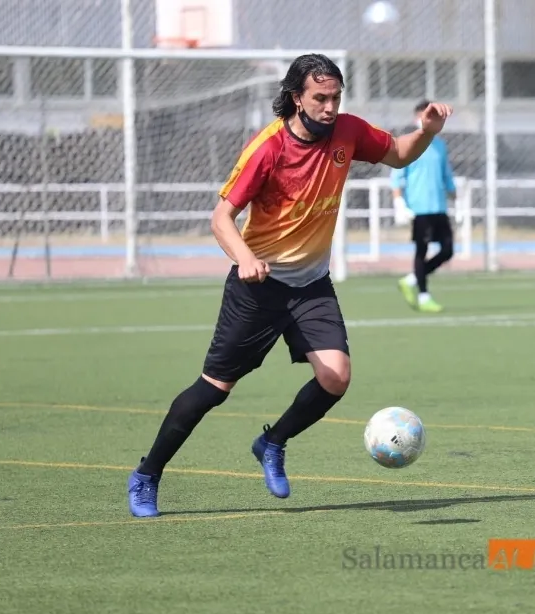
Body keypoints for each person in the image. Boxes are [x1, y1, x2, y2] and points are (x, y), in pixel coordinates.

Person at [126, 54, 453, 518]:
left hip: (311, 285)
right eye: (320, 98)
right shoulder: (268, 148)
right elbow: (221, 218)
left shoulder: (348, 131)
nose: (330, 107)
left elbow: (399, 154)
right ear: (296, 97)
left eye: (336, 97)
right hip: (258, 288)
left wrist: (427, 132)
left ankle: (273, 442)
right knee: (214, 388)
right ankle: (147, 474)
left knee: (336, 376)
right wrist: (245, 259)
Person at [391, 100, 457, 313]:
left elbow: (446, 176)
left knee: (447, 250)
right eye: (424, 115)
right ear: (417, 118)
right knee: (422, 250)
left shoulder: (440, 146)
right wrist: (399, 203)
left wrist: (457, 201)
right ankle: (423, 295)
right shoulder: (410, 143)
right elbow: (397, 175)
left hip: (439, 207)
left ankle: (411, 280)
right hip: (419, 208)